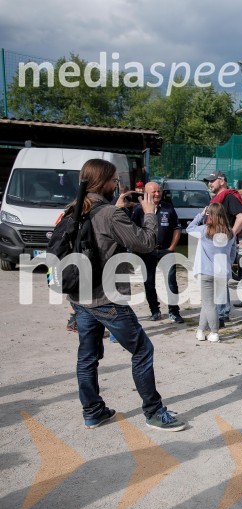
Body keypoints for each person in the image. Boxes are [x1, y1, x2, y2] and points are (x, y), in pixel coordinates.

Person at [67, 159, 185, 432]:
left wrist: (117, 209)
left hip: (80, 297)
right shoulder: (109, 214)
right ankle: (154, 412)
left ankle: (93, 411)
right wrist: (149, 213)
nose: (116, 185)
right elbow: (145, 243)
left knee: (87, 357)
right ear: (103, 182)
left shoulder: (74, 208)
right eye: (114, 180)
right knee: (142, 349)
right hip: (107, 299)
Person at [131, 182, 184, 323]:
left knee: (171, 283)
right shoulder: (138, 210)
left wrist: (171, 247)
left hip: (166, 250)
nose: (157, 194)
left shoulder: (168, 207)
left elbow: (177, 228)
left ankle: (174, 312)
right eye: (154, 191)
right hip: (147, 252)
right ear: (146, 193)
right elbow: (133, 231)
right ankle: (155, 311)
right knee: (149, 283)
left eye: (159, 191)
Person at [187, 203, 237, 342]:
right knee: (208, 303)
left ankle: (214, 332)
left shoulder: (205, 230)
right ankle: (200, 330)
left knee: (209, 304)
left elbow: (189, 228)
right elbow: (233, 252)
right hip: (222, 273)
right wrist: (228, 264)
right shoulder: (231, 232)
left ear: (210, 214)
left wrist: (201, 215)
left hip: (206, 272)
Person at [203, 171, 242, 325]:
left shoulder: (229, 197)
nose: (210, 183)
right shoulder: (218, 198)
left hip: (222, 242)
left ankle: (221, 314)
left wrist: (231, 235)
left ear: (222, 181)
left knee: (219, 279)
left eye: (212, 180)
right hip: (215, 242)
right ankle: (221, 312)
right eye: (209, 181)